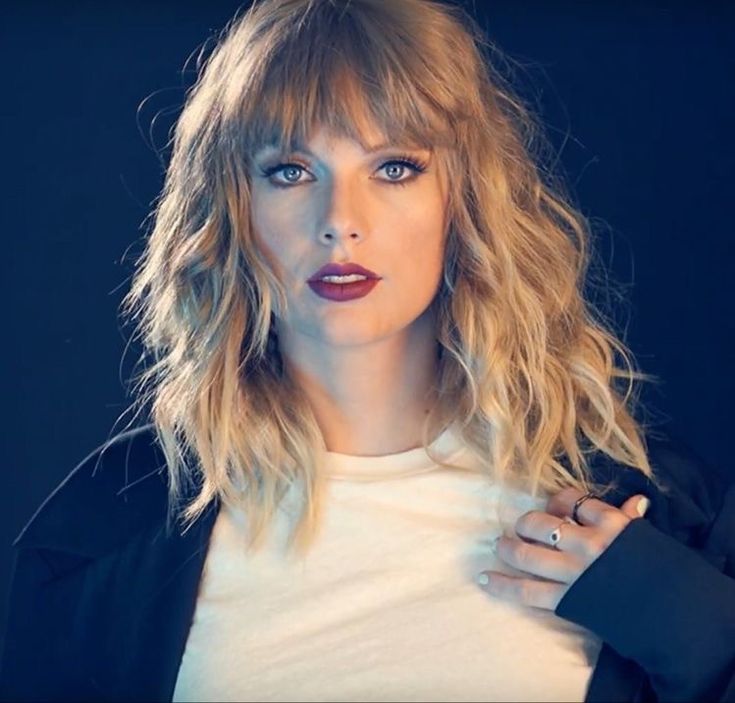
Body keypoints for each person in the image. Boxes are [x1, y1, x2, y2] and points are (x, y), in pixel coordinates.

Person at [1, 0, 734, 701]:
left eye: (393, 167)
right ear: (229, 211)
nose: (339, 221)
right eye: (289, 170)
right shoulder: (107, 528)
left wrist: (694, 625)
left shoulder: (651, 510)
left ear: (465, 198)